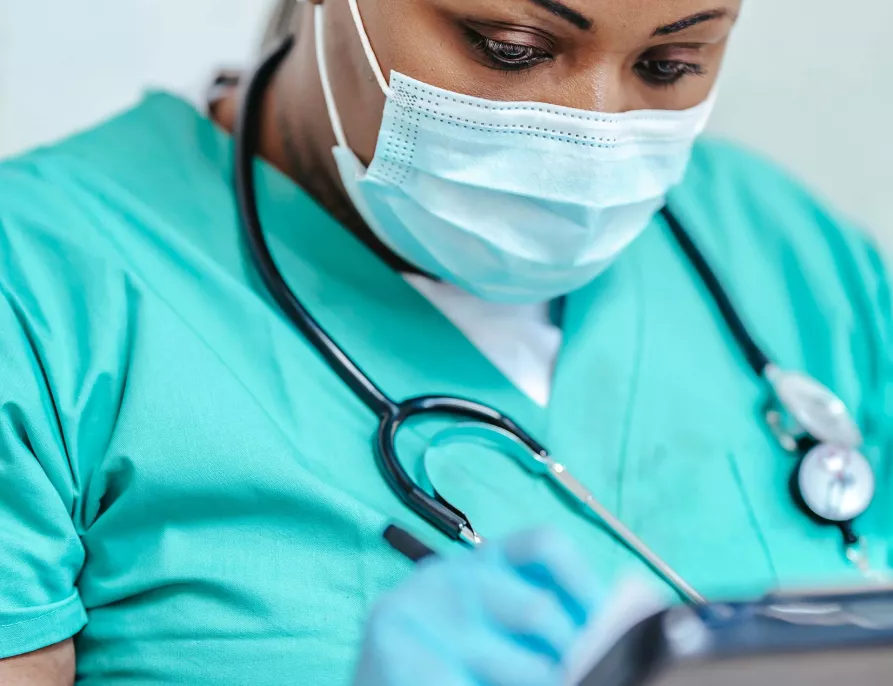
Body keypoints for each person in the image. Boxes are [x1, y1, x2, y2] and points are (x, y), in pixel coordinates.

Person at [0, 0, 889, 683]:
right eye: (511, 46)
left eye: (669, 63)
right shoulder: (39, 286)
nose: (589, 133)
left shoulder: (788, 253)